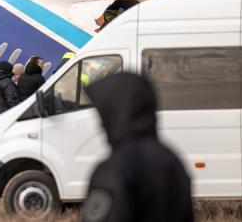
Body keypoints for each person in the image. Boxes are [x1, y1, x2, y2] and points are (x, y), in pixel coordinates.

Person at [81, 73, 193, 222]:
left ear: (117, 111)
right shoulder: (172, 161)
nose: (101, 124)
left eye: (104, 113)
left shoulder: (114, 169)